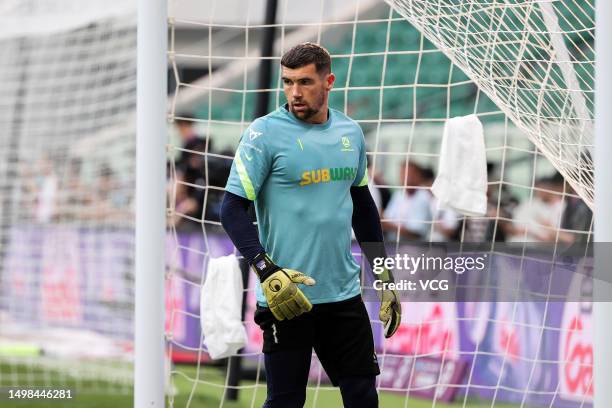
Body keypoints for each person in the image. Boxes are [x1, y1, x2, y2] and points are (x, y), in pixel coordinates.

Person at [220, 42, 400, 408]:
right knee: (285, 402)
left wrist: (383, 276)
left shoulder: (351, 133)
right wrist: (265, 268)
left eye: (304, 82)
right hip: (286, 295)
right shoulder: (264, 134)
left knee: (364, 397)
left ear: (328, 81)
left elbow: (363, 209)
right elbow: (231, 209)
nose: (294, 93)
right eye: (287, 83)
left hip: (343, 293)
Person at [382, 160, 433, 241]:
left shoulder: (424, 198)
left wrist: (387, 225)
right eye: (402, 174)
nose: (404, 178)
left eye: (408, 174)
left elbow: (416, 233)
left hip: (414, 248)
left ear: (418, 176)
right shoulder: (398, 194)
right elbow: (387, 219)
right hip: (393, 244)